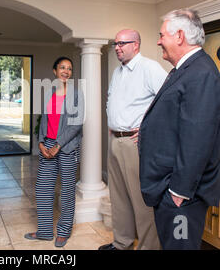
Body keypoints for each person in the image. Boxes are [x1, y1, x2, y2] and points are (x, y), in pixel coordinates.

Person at [139, 9, 220, 250]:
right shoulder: (184, 70)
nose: (158, 40)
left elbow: (198, 137)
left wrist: (178, 192)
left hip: (180, 195)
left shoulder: (201, 73)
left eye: (162, 34)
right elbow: (179, 121)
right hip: (171, 189)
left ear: (180, 36)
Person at [98, 29, 167, 250]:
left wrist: (149, 129)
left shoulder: (150, 68)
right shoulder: (118, 72)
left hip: (136, 144)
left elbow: (169, 102)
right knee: (118, 198)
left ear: (136, 44)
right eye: (116, 43)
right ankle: (122, 243)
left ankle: (148, 247)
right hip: (115, 141)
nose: (117, 47)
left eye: (122, 43)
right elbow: (113, 101)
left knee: (141, 201)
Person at [25, 56, 84, 248]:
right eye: (62, 68)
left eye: (69, 68)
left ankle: (64, 232)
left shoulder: (76, 94)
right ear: (54, 71)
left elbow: (76, 124)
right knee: (43, 189)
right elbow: (44, 119)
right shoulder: (50, 92)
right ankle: (44, 231)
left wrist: (57, 145)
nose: (66, 71)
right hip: (47, 145)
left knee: (66, 191)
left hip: (66, 148)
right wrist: (41, 142)